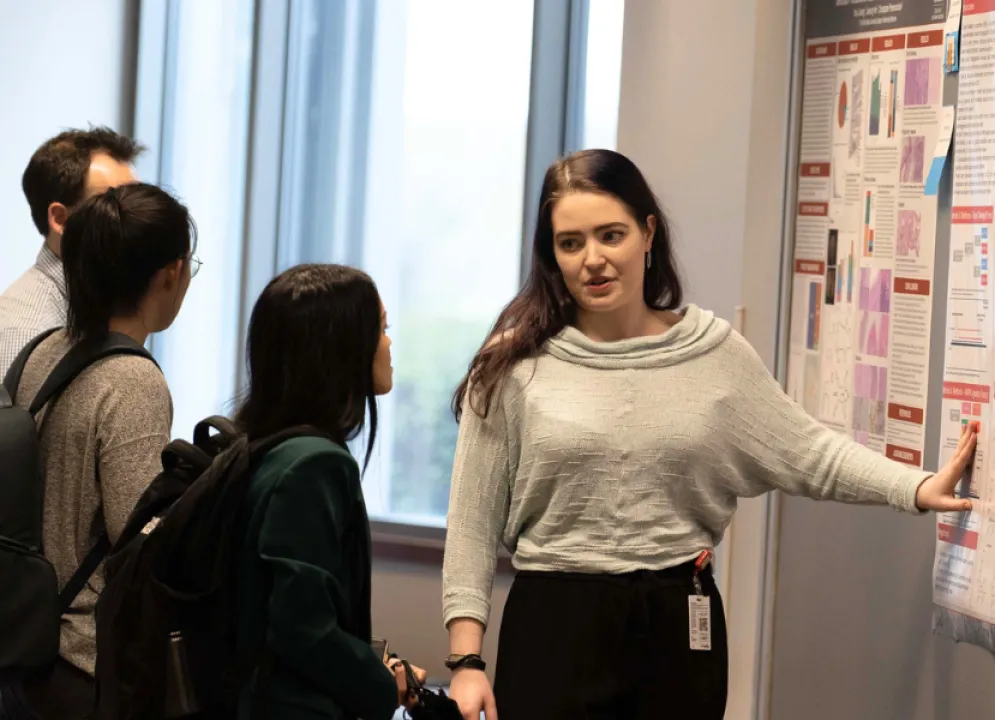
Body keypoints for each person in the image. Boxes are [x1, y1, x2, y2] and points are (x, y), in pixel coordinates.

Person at [441, 149, 977, 720]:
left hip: (677, 626)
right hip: (554, 624)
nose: (592, 260)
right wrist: (466, 664)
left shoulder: (712, 354)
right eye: (570, 243)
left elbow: (809, 453)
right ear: (552, 253)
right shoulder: (514, 364)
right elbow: (472, 527)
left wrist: (916, 488)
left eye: (611, 235)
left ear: (648, 234)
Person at [2, 183, 196, 720]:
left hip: (22, 642)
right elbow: (140, 542)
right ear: (170, 272)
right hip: (81, 660)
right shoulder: (132, 379)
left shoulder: (44, 348)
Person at [232, 264, 426, 720]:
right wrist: (383, 682)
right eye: (381, 329)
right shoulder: (314, 463)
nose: (389, 343)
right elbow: (301, 628)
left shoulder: (260, 446)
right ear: (340, 349)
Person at [0, 126, 143, 376]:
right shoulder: (26, 333)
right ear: (61, 219)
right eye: (114, 204)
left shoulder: (96, 305)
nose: (136, 219)